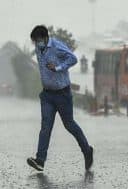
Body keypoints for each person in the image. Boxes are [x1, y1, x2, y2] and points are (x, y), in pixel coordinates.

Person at [26, 25, 94, 172]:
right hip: (47, 95)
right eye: (34, 42)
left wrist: (58, 67)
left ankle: (87, 151)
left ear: (45, 38)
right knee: (45, 127)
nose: (37, 44)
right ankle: (40, 160)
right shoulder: (38, 49)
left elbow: (73, 58)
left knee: (69, 125)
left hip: (62, 93)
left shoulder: (57, 46)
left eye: (38, 40)